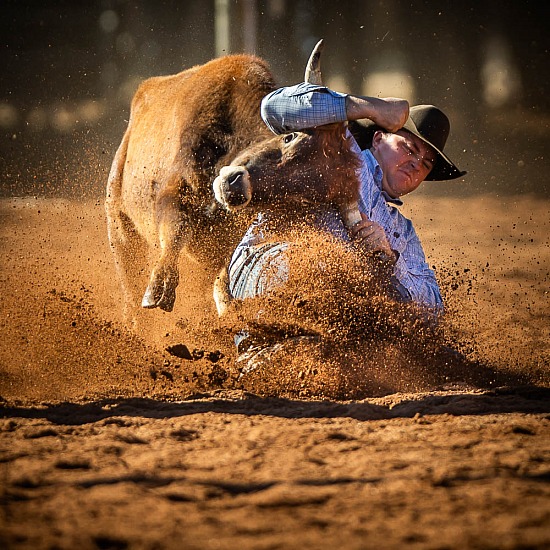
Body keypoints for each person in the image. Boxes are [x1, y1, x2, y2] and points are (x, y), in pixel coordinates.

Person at [227, 83, 466, 372]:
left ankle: (309, 357)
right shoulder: (335, 144)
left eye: (426, 164)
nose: (416, 164)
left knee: (420, 342)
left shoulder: (402, 231)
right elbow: (274, 108)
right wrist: (368, 108)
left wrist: (391, 259)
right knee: (313, 261)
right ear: (378, 138)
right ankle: (260, 347)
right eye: (409, 148)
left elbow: (433, 307)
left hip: (330, 305)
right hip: (266, 266)